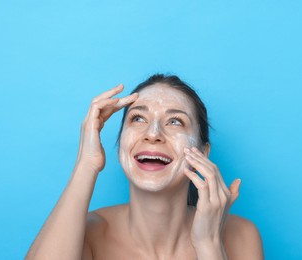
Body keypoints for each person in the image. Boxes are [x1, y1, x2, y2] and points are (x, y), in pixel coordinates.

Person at [26, 74, 264, 260]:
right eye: (138, 118)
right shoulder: (83, 234)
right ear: (120, 144)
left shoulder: (240, 235)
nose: (153, 133)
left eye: (175, 121)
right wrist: (86, 163)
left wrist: (208, 244)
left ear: (202, 153)